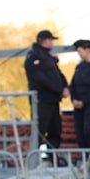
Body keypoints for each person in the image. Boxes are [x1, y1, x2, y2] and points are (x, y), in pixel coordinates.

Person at [24, 30, 70, 165]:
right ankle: (32, 161)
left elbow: (58, 74)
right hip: (41, 101)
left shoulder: (48, 58)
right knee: (40, 130)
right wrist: (59, 89)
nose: (52, 43)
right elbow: (41, 78)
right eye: (51, 40)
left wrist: (65, 86)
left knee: (56, 129)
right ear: (44, 41)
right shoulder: (34, 57)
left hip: (53, 100)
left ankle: (52, 157)